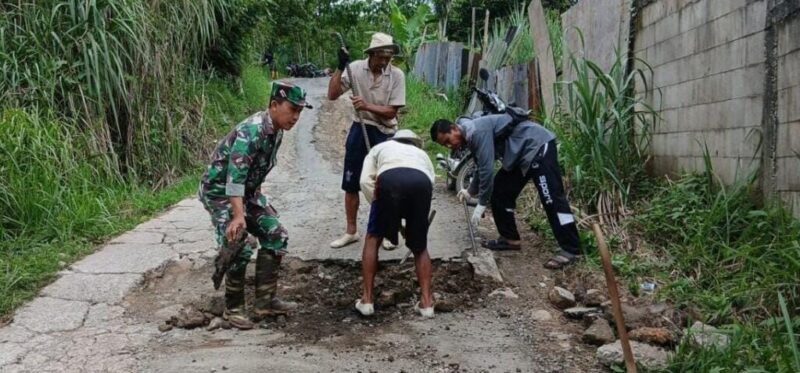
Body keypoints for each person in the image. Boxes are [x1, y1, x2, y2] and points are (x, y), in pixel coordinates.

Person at [198, 82, 312, 329]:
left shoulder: (277, 131)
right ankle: (233, 308)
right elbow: (234, 178)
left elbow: (253, 174)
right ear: (274, 105)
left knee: (276, 234)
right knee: (239, 242)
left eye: (300, 112)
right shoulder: (253, 131)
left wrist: (257, 205)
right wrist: (239, 216)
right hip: (220, 192)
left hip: (246, 192)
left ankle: (265, 301)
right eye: (292, 109)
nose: (295, 117)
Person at [430, 114, 582, 269]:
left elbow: (487, 171)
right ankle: (510, 238)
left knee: (551, 198)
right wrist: (470, 191)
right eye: (445, 145)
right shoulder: (469, 136)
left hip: (537, 145)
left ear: (454, 128)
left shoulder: (476, 132)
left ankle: (572, 249)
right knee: (500, 192)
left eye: (448, 140)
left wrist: (481, 203)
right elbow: (480, 165)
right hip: (519, 155)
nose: (450, 146)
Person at [327, 32, 406, 251]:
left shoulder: (397, 75)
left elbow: (391, 112)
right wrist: (340, 67)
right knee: (351, 182)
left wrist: (367, 106)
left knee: (386, 183)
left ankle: (390, 232)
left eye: (388, 57)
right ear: (370, 54)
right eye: (380, 56)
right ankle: (351, 232)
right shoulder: (355, 69)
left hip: (385, 132)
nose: (384, 61)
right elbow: (332, 94)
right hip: (360, 128)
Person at [357, 130, 436, 317]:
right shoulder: (423, 155)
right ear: (415, 143)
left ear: (394, 139)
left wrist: (379, 205)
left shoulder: (380, 147)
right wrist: (412, 225)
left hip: (389, 180)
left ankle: (367, 300)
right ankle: (426, 303)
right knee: (420, 246)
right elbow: (429, 184)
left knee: (373, 238)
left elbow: (364, 181)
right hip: (421, 184)